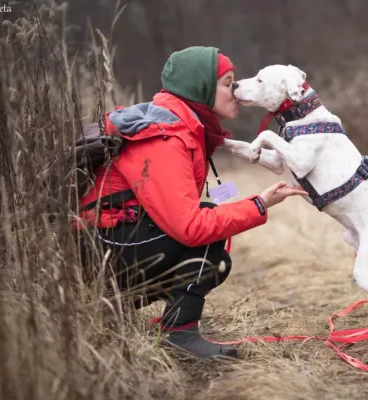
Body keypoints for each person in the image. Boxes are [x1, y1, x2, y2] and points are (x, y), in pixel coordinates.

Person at [76, 46, 307, 359]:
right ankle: (178, 333)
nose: (236, 91)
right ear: (202, 88)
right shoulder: (164, 137)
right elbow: (190, 227)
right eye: (228, 84)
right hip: (99, 251)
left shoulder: (181, 126)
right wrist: (260, 204)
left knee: (213, 240)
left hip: (109, 244)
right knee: (210, 237)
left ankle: (125, 315)